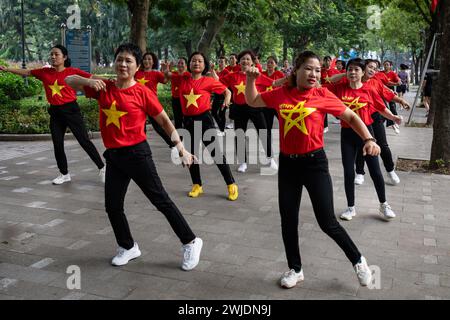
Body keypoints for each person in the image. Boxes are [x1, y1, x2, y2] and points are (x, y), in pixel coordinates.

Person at [65, 43, 203, 270]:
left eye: (128, 61)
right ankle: (127, 246)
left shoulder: (142, 92)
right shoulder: (104, 88)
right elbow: (69, 80)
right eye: (119, 59)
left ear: (137, 66)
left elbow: (165, 122)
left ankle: (190, 241)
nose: (123, 64)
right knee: (113, 206)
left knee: (161, 200)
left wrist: (181, 148)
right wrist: (88, 81)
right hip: (114, 157)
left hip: (138, 154)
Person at [244, 51, 376, 289]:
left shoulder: (322, 94)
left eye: (317, 70)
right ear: (296, 70)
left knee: (327, 221)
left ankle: (359, 260)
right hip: (288, 166)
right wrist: (251, 80)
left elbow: (351, 116)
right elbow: (253, 101)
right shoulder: (281, 93)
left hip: (315, 164)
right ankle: (295, 269)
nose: (314, 74)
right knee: (288, 220)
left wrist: (368, 139)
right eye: (308, 69)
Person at [0, 45, 105, 185]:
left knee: (84, 140)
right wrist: (8, 69)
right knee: (57, 143)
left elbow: (92, 77)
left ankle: (102, 168)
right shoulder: (45, 72)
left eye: (56, 54)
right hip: (55, 112)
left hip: (71, 110)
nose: (53, 57)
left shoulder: (72, 72)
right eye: (52, 54)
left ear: (65, 57)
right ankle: (64, 173)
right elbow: (27, 72)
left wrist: (113, 81)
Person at [326, 58, 402, 222]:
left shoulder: (369, 90)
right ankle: (350, 207)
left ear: (362, 72)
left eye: (356, 70)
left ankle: (384, 204)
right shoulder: (339, 88)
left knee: (375, 171)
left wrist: (394, 117)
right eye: (350, 69)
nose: (353, 72)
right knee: (348, 172)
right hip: (347, 135)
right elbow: (322, 84)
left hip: (367, 135)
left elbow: (381, 108)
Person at [163, 52, 238, 200]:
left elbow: (226, 91)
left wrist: (227, 101)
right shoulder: (183, 78)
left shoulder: (208, 81)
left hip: (204, 120)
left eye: (200, 61)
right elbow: (167, 76)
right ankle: (197, 185)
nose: (196, 63)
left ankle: (231, 184)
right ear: (189, 64)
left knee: (215, 153)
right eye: (193, 61)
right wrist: (166, 69)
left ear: (204, 65)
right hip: (188, 121)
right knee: (191, 155)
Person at [330, 59, 410, 186]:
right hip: (357, 118)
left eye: (375, 68)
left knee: (383, 145)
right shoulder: (349, 80)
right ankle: (360, 172)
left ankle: (390, 170)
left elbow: (388, 95)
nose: (372, 70)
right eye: (370, 67)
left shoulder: (375, 82)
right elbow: (331, 80)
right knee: (361, 146)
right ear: (363, 68)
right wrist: (349, 72)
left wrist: (400, 102)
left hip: (375, 116)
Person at [219, 50, 275, 173]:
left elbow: (273, 83)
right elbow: (218, 82)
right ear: (239, 62)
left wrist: (289, 80)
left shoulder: (256, 75)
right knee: (239, 135)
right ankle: (243, 162)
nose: (245, 61)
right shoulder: (233, 76)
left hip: (255, 107)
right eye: (243, 59)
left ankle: (271, 159)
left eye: (248, 59)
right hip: (239, 108)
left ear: (252, 62)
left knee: (263, 132)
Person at [134, 52, 179, 159]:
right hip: (138, 104)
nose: (147, 61)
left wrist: (168, 70)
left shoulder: (156, 74)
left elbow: (165, 80)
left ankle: (174, 146)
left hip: (151, 103)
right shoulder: (137, 73)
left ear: (153, 62)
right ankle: (141, 152)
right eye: (145, 59)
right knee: (140, 128)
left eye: (149, 59)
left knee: (158, 127)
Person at [260, 56, 285, 170]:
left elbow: (285, 87)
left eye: (272, 63)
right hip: (265, 105)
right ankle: (269, 154)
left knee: (285, 125)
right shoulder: (262, 74)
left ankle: (285, 147)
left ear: (275, 64)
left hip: (277, 105)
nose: (269, 64)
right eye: (268, 62)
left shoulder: (279, 74)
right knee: (266, 130)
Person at [210, 56, 230, 136]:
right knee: (214, 112)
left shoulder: (226, 72)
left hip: (224, 95)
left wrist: (212, 70)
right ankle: (221, 127)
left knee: (222, 113)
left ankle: (222, 130)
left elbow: (218, 80)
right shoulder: (218, 71)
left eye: (222, 62)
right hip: (216, 95)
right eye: (219, 62)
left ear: (226, 63)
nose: (220, 63)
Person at [382, 60, 402, 133]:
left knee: (392, 107)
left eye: (387, 65)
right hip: (381, 92)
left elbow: (398, 81)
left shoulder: (393, 74)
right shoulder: (381, 73)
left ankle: (395, 120)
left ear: (390, 66)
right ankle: (392, 123)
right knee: (385, 108)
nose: (386, 66)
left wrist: (398, 82)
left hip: (391, 92)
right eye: (385, 64)